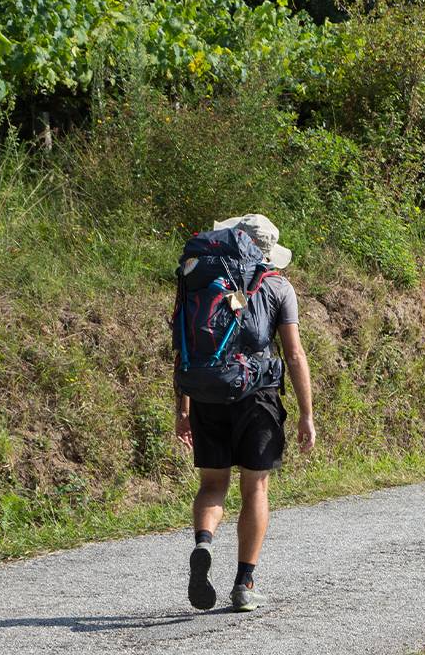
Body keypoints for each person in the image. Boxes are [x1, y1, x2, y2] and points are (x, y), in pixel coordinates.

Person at [174, 213, 316, 612]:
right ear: (268, 251)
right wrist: (307, 414)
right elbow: (293, 353)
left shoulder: (200, 280)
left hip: (206, 393)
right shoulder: (278, 287)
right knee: (255, 488)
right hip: (258, 397)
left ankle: (203, 542)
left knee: (212, 485)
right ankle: (244, 583)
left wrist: (183, 407)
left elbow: (183, 346)